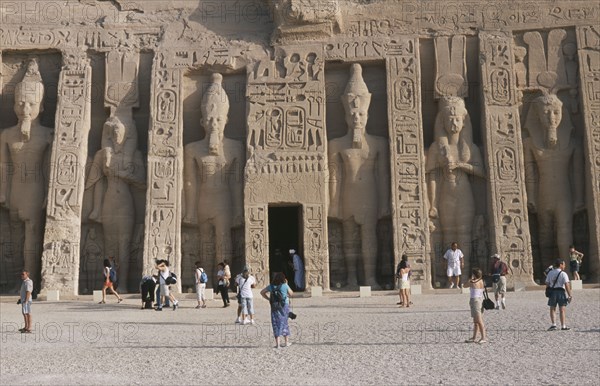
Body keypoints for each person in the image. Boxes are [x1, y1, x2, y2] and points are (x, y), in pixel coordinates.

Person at [328, 63, 391, 289]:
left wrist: (385, 203)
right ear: (346, 115)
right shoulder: (335, 145)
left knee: (370, 237)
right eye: (353, 113)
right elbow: (333, 177)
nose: (357, 118)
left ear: (367, 115)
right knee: (349, 238)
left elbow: (383, 176)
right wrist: (333, 204)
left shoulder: (378, 143)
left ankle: (370, 278)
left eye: (361, 113)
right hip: (347, 195)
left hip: (370, 194)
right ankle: (352, 278)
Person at [183, 73, 244, 282]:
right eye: (209, 119)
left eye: (218, 119)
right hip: (203, 202)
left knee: (223, 242)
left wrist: (238, 211)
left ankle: (224, 283)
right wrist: (189, 211)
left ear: (226, 120)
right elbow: (190, 183)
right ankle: (206, 283)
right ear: (201, 120)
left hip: (223, 202)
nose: (213, 124)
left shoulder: (235, 148)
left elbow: (236, 183)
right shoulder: (192, 149)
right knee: (205, 244)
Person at [0, 59, 53, 292]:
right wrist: (3, 193)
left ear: (41, 107)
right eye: (21, 104)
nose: (26, 110)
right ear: (13, 106)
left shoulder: (48, 135)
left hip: (35, 188)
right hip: (14, 189)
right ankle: (13, 280)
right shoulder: (6, 134)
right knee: (13, 236)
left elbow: (50, 168)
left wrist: (50, 194)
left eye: (31, 104)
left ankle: (29, 281)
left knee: (31, 233)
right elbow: (4, 167)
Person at [426, 97, 485, 281]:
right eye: (449, 119)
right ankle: (448, 278)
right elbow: (432, 177)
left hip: (464, 194)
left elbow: (481, 172)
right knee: (448, 234)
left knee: (464, 235)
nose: (453, 123)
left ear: (463, 121)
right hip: (445, 195)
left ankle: (465, 276)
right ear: (442, 122)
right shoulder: (437, 147)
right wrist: (433, 203)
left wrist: (460, 165)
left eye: (457, 119)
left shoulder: (470, 147)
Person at [523, 94, 584, 270]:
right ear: (537, 116)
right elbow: (530, 173)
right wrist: (531, 197)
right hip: (543, 195)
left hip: (564, 195)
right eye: (546, 113)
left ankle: (567, 271)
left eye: (556, 112)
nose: (551, 118)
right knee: (545, 235)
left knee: (565, 233)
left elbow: (578, 173)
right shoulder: (530, 143)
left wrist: (580, 198)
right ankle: (546, 270)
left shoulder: (573, 144)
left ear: (562, 114)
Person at [85, 115, 145, 292]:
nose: (117, 134)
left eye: (121, 131)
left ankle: (124, 284)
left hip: (126, 203)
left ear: (126, 134)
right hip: (109, 202)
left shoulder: (135, 154)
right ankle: (109, 284)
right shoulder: (103, 154)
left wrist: (122, 175)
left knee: (124, 245)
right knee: (109, 245)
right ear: (110, 133)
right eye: (115, 131)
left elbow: (142, 181)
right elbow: (93, 181)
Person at [261, 272, 294, 348]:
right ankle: (286, 342)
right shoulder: (285, 285)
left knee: (275, 323)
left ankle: (278, 344)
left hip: (274, 305)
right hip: (284, 305)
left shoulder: (271, 286)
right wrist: (287, 284)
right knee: (284, 322)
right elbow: (291, 293)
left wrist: (268, 298)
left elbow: (262, 292)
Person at [545, 259, 573, 331]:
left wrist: (548, 290)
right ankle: (563, 326)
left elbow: (547, 283)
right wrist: (570, 295)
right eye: (564, 264)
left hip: (553, 292)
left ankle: (553, 325)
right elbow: (567, 284)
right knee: (562, 309)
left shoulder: (550, 273)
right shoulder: (563, 274)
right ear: (560, 265)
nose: (564, 266)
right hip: (561, 292)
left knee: (552, 308)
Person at [465, 268, 487, 344]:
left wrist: (470, 279)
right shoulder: (481, 281)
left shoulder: (473, 282)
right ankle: (474, 337)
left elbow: (464, 286)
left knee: (479, 320)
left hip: (475, 301)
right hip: (480, 300)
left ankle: (483, 337)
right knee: (476, 321)